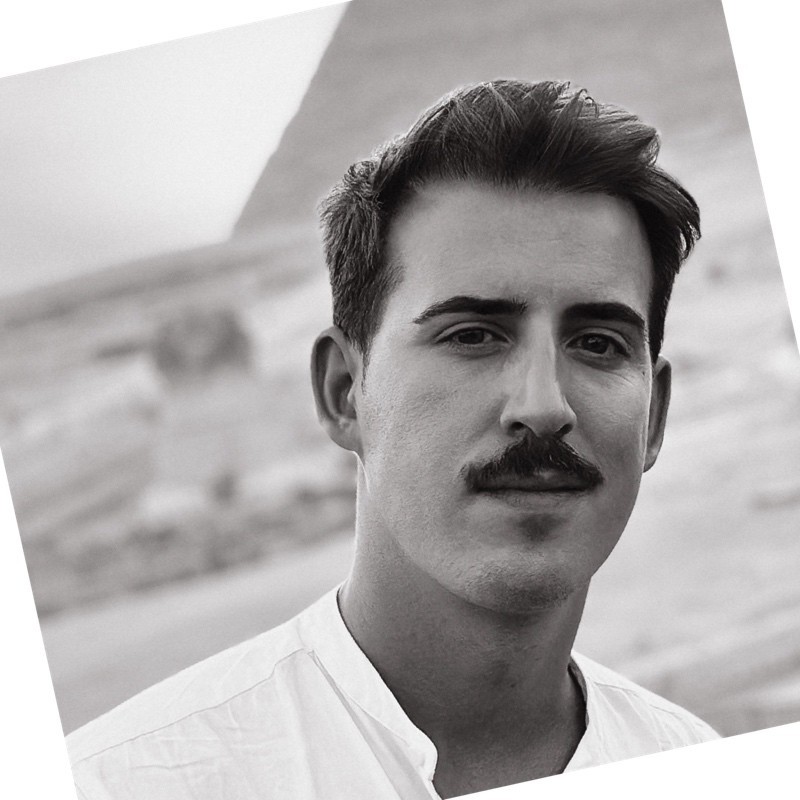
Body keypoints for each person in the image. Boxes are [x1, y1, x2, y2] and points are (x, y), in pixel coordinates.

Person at [66, 80, 719, 800]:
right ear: (345, 392)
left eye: (597, 344)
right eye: (472, 336)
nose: (542, 407)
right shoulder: (123, 782)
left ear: (654, 417)